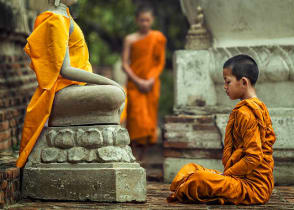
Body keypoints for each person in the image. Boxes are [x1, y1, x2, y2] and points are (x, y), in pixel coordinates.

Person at [16, 0, 124, 168]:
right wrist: (111, 82)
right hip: (62, 89)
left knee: (117, 94)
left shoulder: (65, 15)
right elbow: (65, 70)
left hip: (76, 86)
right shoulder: (55, 19)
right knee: (114, 94)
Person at [167, 55, 276, 205]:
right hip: (238, 179)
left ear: (243, 82)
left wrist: (227, 175)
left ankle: (186, 186)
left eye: (228, 81)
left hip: (253, 187)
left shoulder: (248, 112)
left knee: (198, 180)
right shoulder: (254, 107)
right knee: (190, 168)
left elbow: (253, 158)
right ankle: (186, 185)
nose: (225, 87)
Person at [122, 5, 166, 160]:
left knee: (148, 122)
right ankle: (132, 155)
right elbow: (125, 64)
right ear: (137, 21)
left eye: (147, 20)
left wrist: (150, 80)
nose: (145, 23)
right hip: (135, 84)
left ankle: (144, 159)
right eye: (142, 20)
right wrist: (139, 80)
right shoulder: (130, 39)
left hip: (151, 84)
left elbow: (159, 62)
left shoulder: (157, 38)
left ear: (152, 20)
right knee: (135, 119)